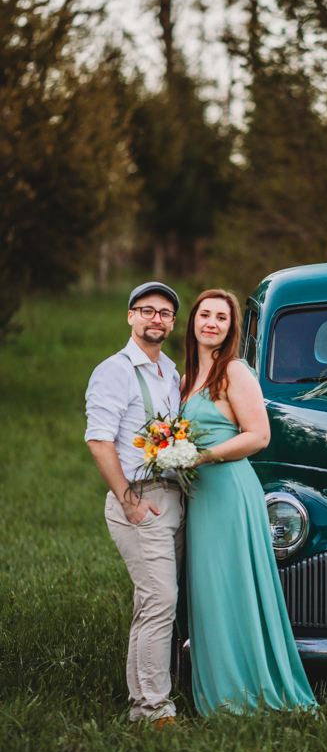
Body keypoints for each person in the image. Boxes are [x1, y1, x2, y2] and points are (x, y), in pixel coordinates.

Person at [181, 288, 317, 715]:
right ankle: (215, 681)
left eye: (222, 318)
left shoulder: (235, 372)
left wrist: (202, 455)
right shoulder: (187, 378)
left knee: (231, 587)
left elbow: (259, 436)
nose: (212, 323)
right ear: (193, 321)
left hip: (229, 492)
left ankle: (242, 690)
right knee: (207, 591)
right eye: (205, 314)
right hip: (199, 497)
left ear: (231, 329)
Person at [85, 282, 185, 728]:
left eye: (165, 313)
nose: (156, 319)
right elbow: (98, 440)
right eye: (147, 310)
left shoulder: (171, 372)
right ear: (130, 316)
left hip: (174, 497)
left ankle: (151, 691)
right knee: (160, 599)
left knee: (154, 603)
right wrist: (128, 502)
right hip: (140, 501)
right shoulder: (115, 370)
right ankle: (150, 709)